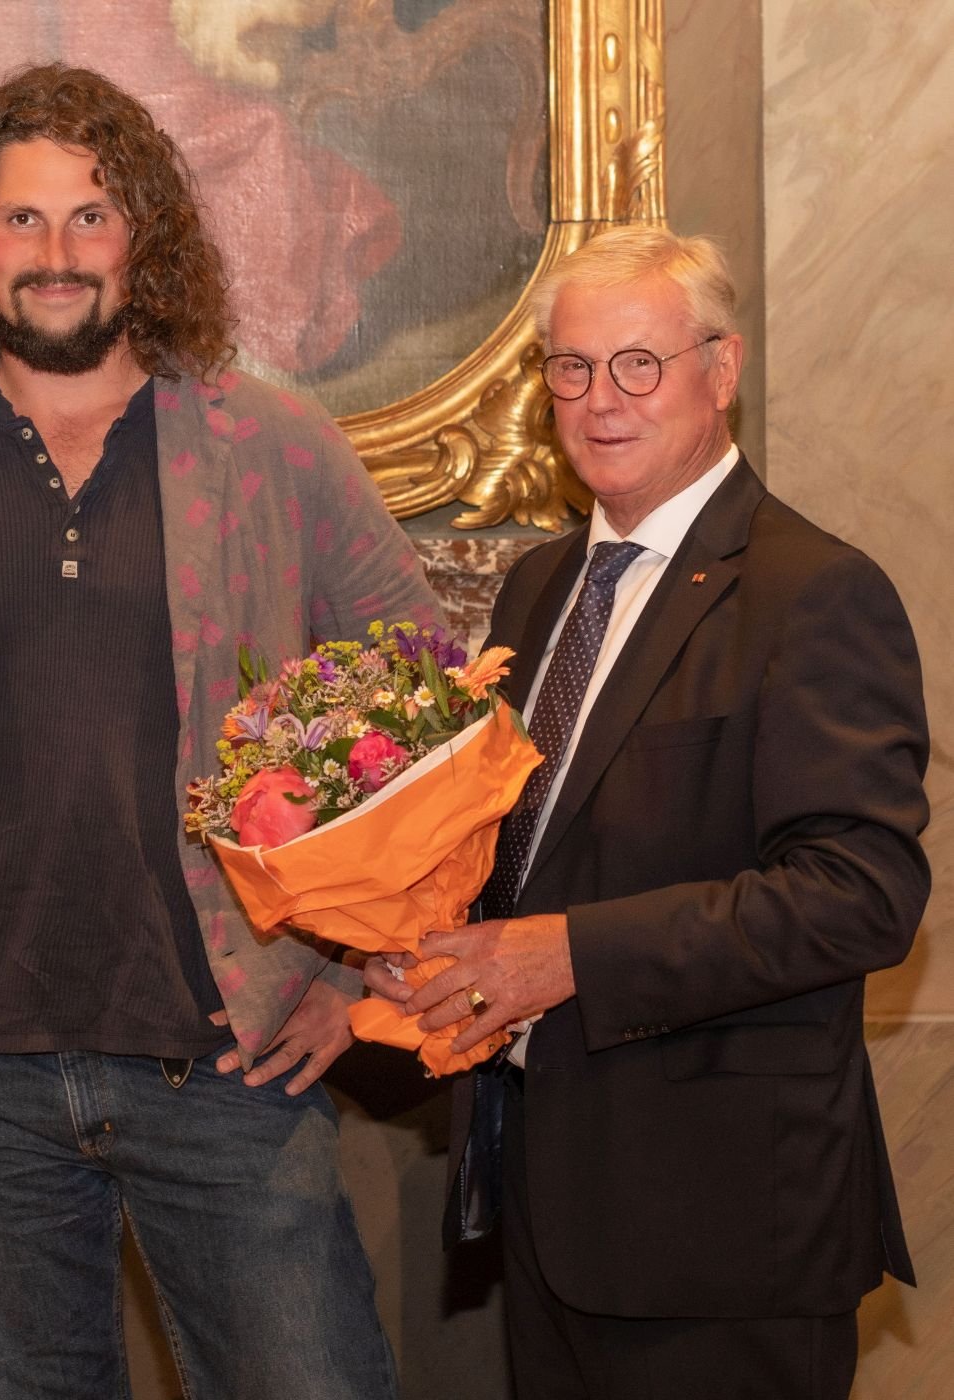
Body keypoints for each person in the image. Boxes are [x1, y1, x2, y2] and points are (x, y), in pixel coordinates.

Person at [0, 63, 436, 1400]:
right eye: (25, 221)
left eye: (93, 216)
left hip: (233, 1054)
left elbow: (427, 708)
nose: (58, 255)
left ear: (146, 237)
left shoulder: (277, 448)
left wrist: (355, 979)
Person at [370, 226, 928, 1399]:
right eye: (571, 368)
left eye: (639, 364)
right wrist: (422, 942)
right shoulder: (540, 584)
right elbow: (528, 849)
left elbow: (861, 894)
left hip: (723, 1232)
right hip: (549, 1199)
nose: (599, 399)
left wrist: (562, 956)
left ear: (720, 372)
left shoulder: (813, 591)